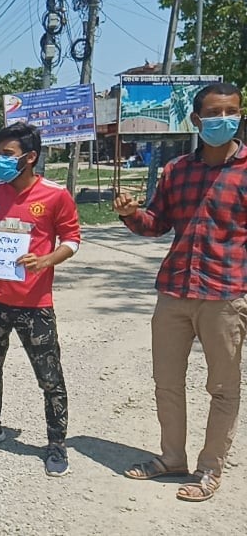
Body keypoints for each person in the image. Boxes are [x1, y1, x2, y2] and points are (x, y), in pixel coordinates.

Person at [117, 82, 247, 502]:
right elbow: (157, 223)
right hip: (174, 290)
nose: (223, 119)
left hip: (225, 295)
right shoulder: (177, 170)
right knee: (166, 382)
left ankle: (210, 469)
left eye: (232, 111)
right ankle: (172, 458)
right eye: (214, 112)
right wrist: (131, 213)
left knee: (223, 388)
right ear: (196, 120)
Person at [0, 123, 81, 477]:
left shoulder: (55, 195)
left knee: (49, 377)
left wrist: (46, 260)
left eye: (7, 155)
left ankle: (56, 444)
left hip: (35, 305)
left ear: (30, 158)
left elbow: (72, 240)